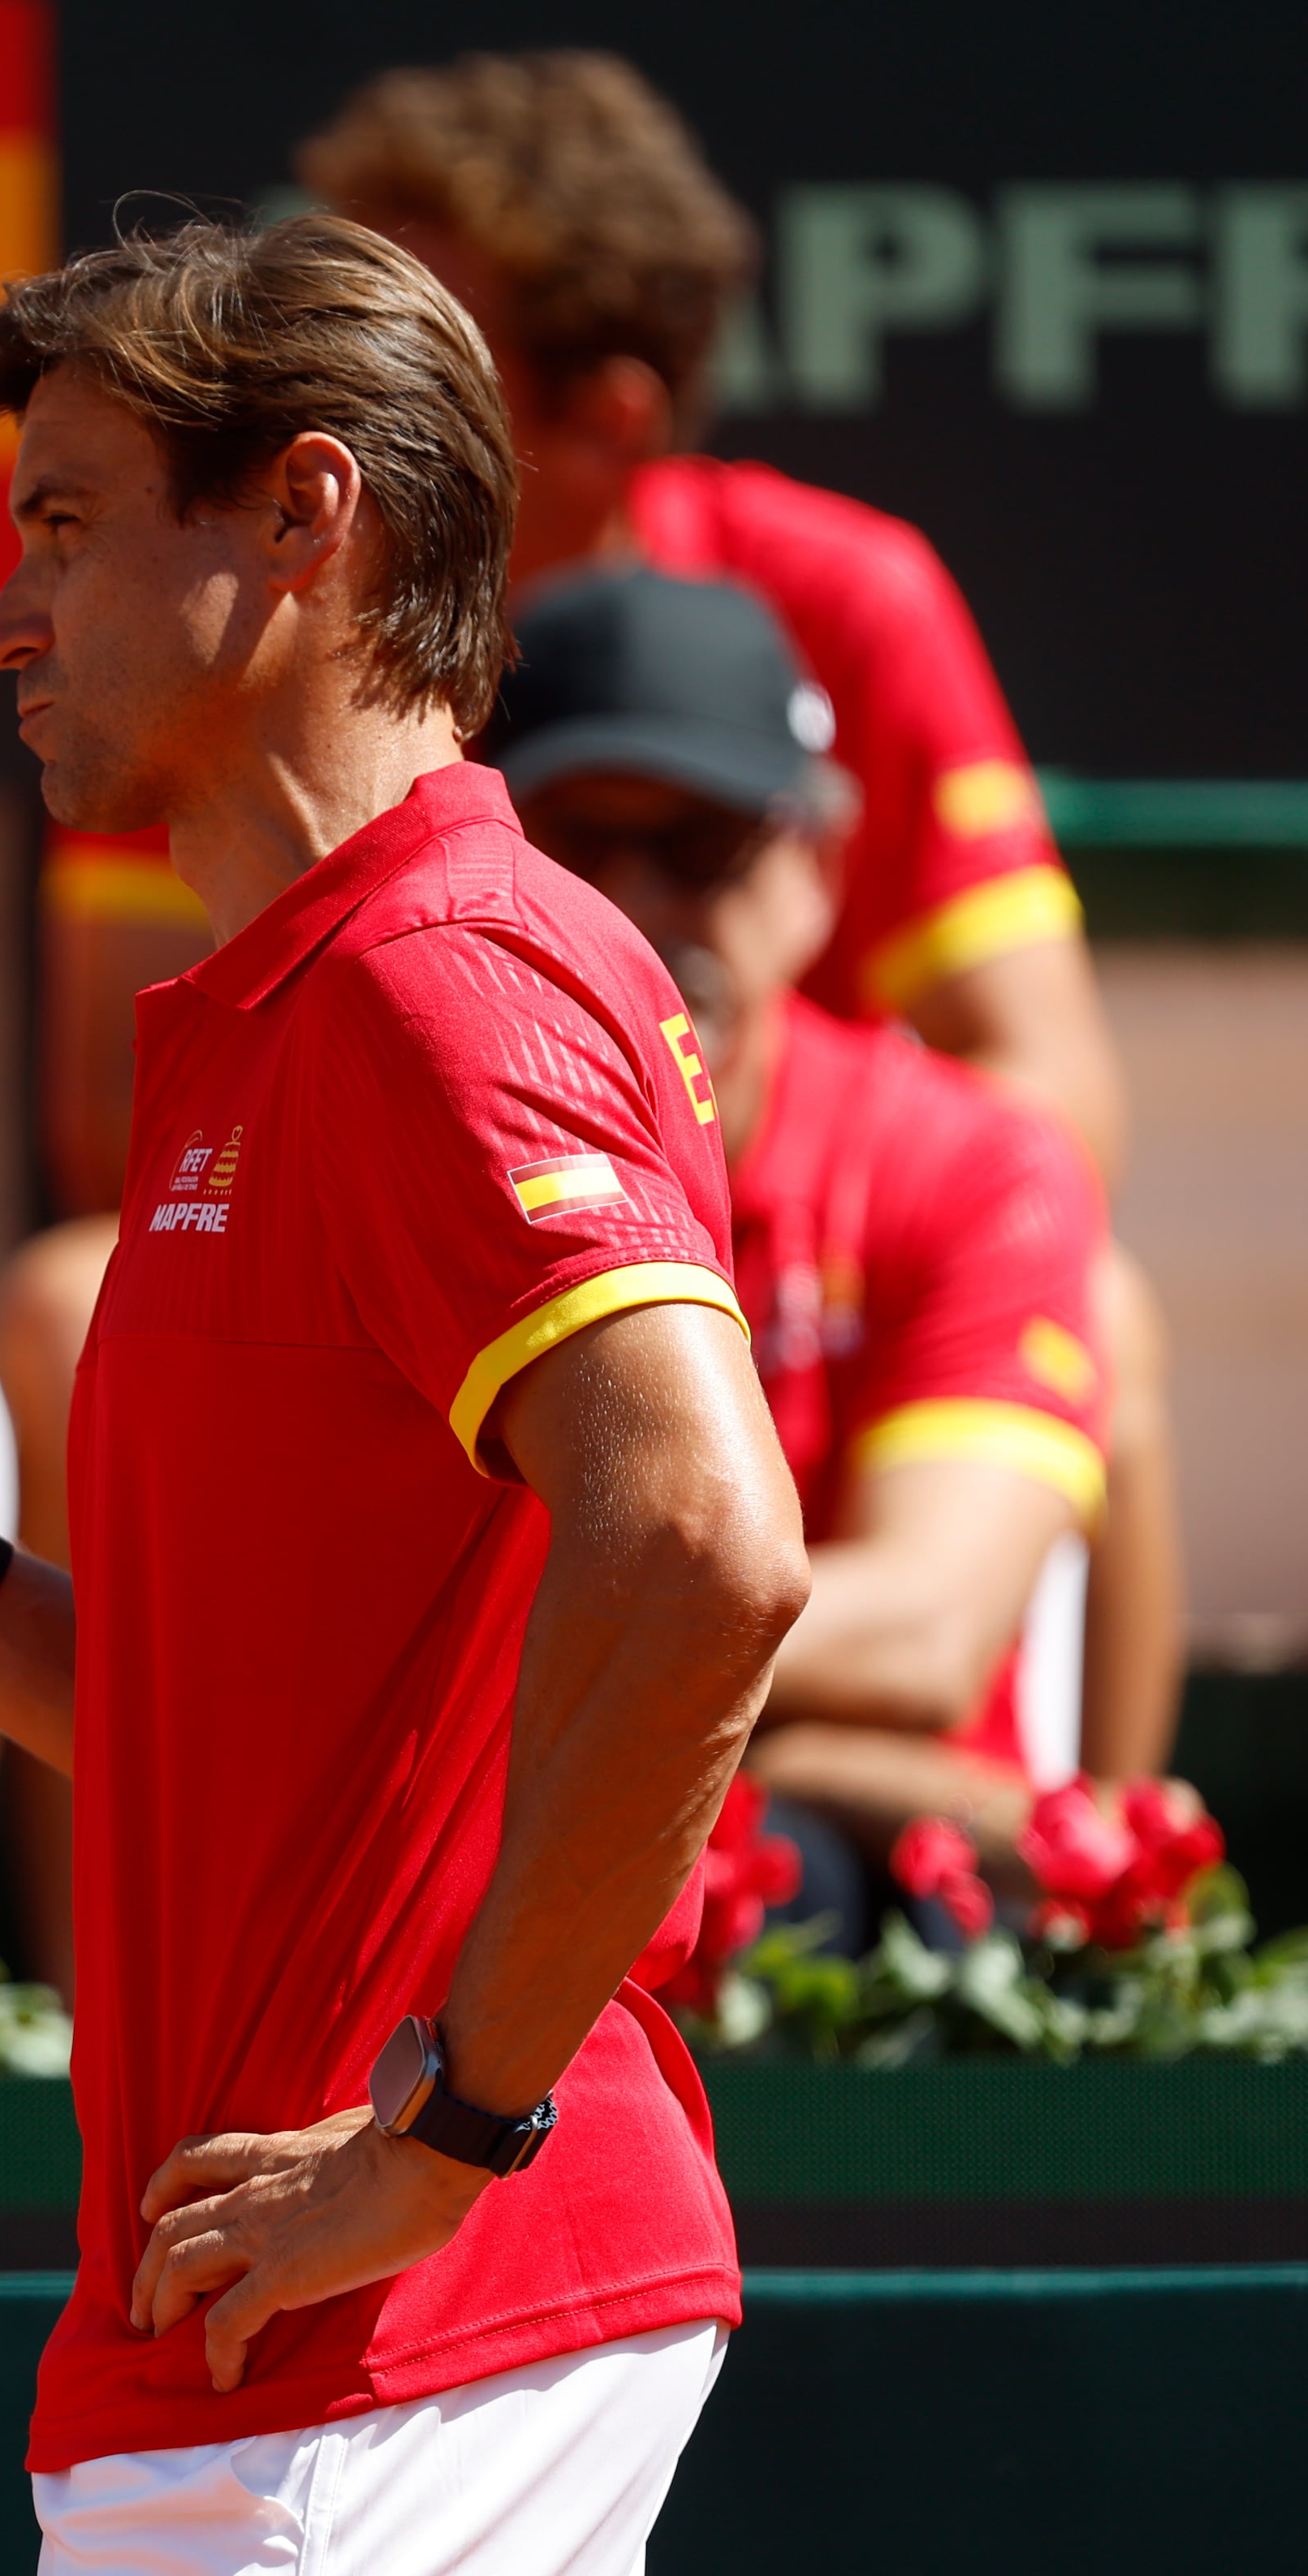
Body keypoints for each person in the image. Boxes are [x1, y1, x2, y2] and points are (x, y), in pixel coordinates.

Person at [0, 218, 806, 2565]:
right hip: (276, 2346)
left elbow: (706, 1542)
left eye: (68, 524)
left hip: (415, 2333)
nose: (5, 618)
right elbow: (279, 1749)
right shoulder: (294, 1012)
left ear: (306, 517)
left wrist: (444, 2138)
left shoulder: (432, 983)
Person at [301, 50, 1185, 1796]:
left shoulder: (844, 595)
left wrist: (745, 1179)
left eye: (422, 381)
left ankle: (1092, 1868)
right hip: (446, 1236)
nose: (344, 426)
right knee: (74, 1293)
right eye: (569, 841)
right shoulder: (281, 612)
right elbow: (142, 1110)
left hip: (797, 1255)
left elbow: (1049, 1095)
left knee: (1081, 1275)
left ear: (606, 416)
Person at [497, 569, 1112, 1900]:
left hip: (884, 1923)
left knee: (802, 1876)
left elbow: (931, 1630)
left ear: (821, 866)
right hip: (506, 1867)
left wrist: (528, 1672)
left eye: (705, 841)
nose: (639, 901)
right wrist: (818, 1738)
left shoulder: (970, 1160)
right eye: (576, 843)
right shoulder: (391, 1147)